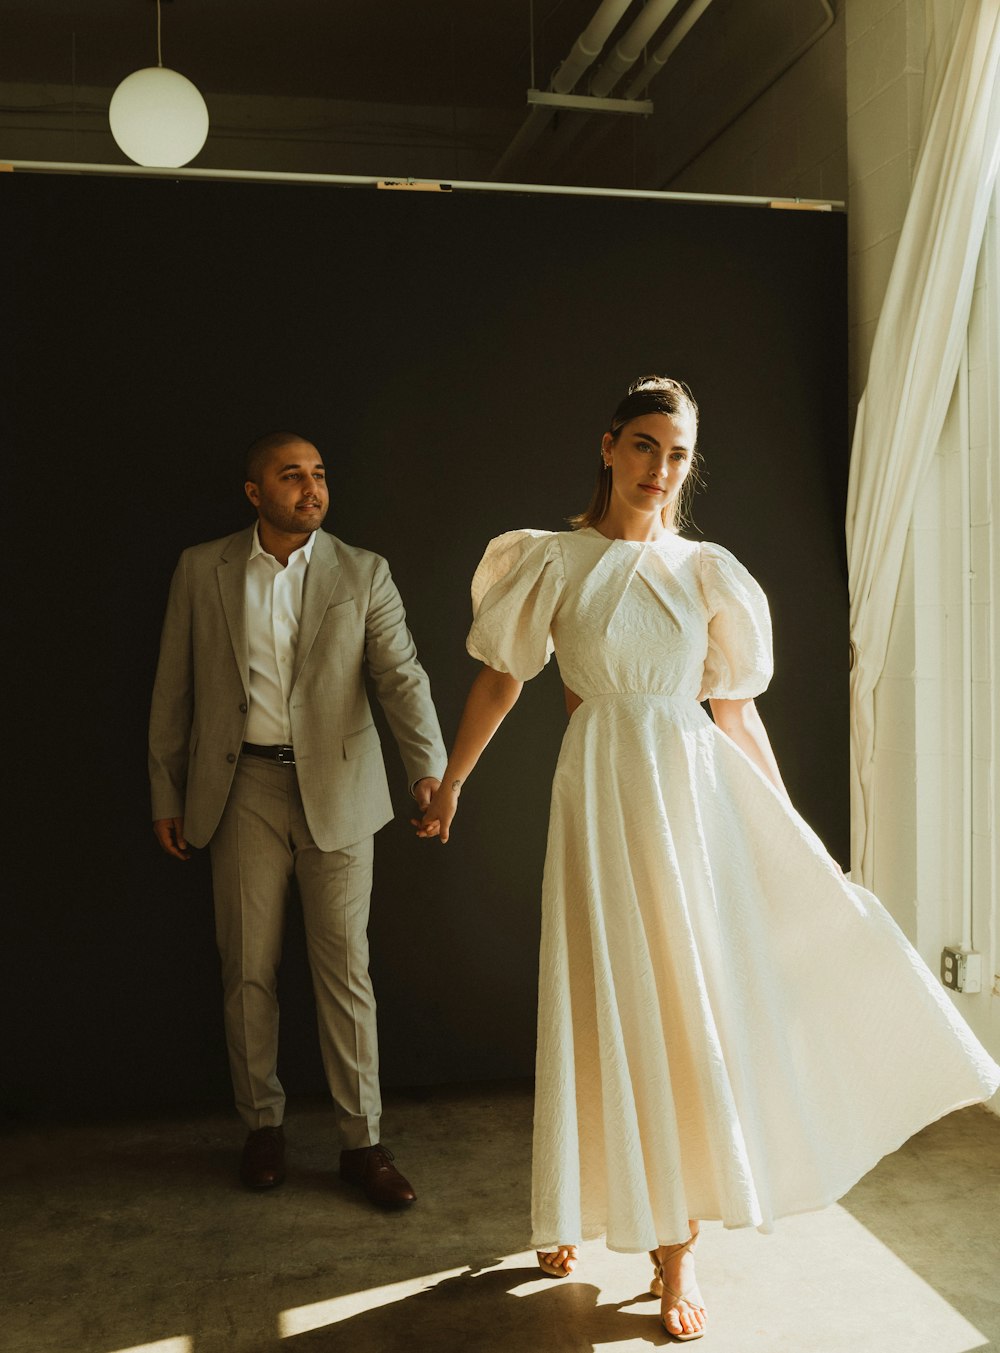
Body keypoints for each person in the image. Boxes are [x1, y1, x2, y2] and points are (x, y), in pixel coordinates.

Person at [417, 376, 1000, 1340]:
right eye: (645, 445)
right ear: (608, 446)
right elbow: (500, 682)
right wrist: (453, 781)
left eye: (679, 453)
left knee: (686, 1003)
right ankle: (575, 1201)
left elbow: (735, 710)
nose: (661, 468)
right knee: (599, 990)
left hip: (689, 795)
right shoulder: (550, 560)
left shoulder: (708, 572)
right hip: (601, 790)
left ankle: (674, 1248)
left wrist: (789, 827)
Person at [150, 431, 446, 1207]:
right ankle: (262, 1127)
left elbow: (401, 675)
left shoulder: (363, 571)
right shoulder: (201, 568)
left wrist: (430, 772)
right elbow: (172, 688)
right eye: (292, 476)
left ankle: (363, 1144)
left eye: (319, 474)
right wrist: (165, 790)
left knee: (345, 971)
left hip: (342, 793)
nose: (311, 487)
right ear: (255, 492)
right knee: (246, 967)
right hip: (239, 787)